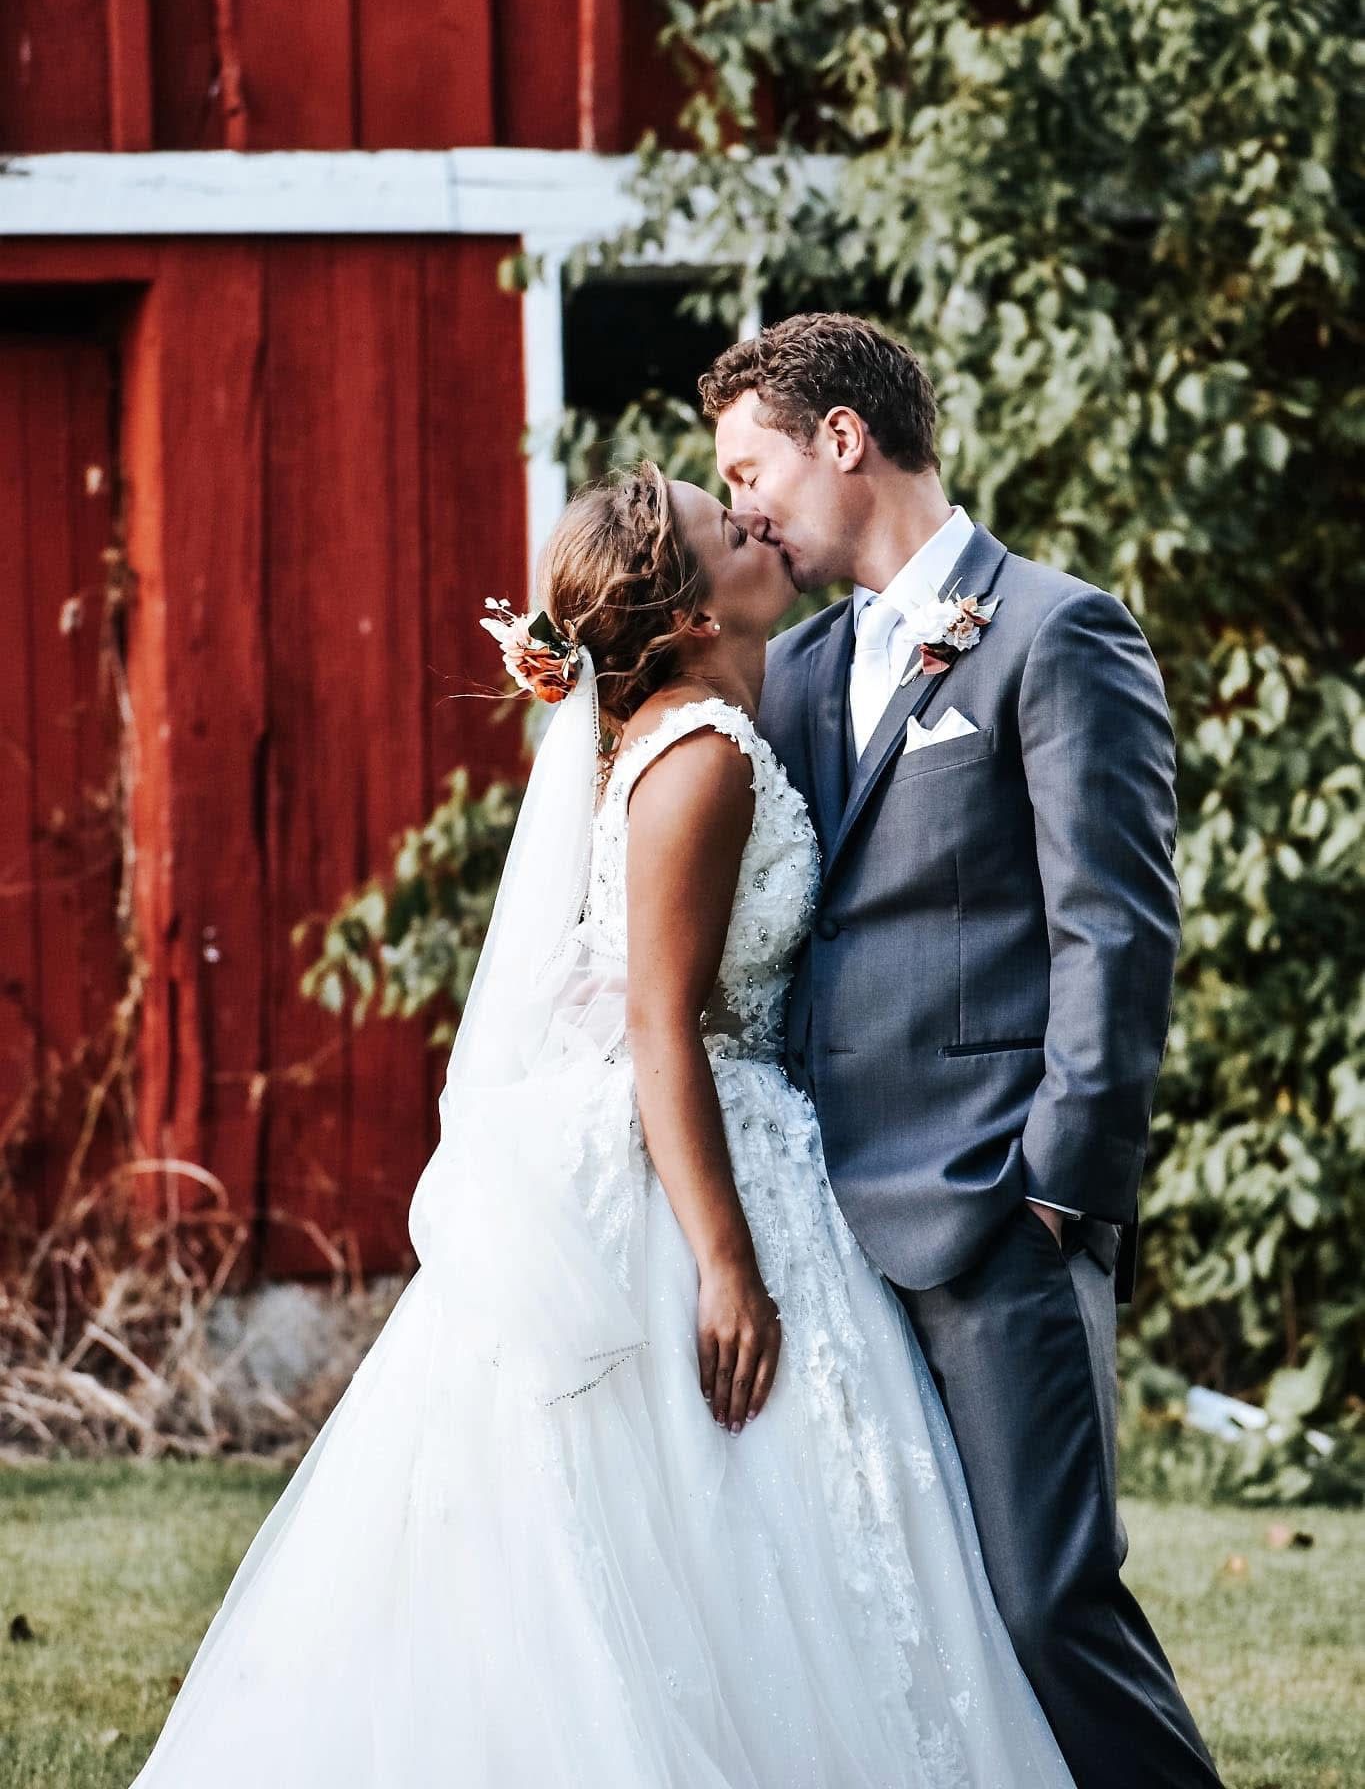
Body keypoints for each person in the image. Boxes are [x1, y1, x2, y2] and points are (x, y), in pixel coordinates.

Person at [128, 459, 1078, 1789]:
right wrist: (729, 1267)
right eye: (721, 524)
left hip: (737, 1137)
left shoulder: (696, 721)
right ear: (688, 618)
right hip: (692, 1168)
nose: (755, 521)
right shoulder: (699, 761)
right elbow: (657, 1028)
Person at [705, 310, 1222, 1789]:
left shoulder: (1060, 635)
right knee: (896, 1616)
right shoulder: (793, 673)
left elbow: (1112, 933)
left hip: (992, 1211)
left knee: (1046, 1600)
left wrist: (1060, 1187)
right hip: (820, 1220)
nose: (738, 504)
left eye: (750, 468)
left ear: (843, 440)